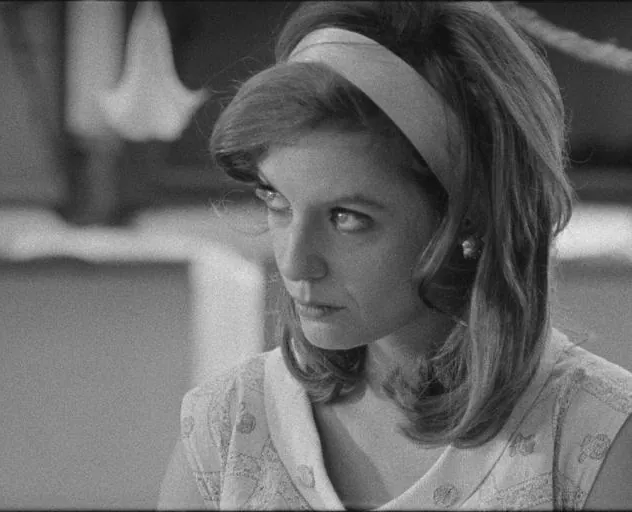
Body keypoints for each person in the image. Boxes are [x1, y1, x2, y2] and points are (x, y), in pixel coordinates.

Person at [157, 1, 632, 509]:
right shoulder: (227, 428)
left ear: (467, 215)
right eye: (277, 201)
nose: (294, 264)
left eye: (347, 217)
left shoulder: (597, 439)